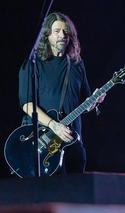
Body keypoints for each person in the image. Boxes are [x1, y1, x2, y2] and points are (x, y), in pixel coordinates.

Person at [19, 12, 105, 174]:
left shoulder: (77, 64)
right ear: (47, 34)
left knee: (75, 190)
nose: (62, 35)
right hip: (42, 139)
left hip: (72, 140)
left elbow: (85, 103)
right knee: (47, 193)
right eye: (57, 31)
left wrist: (94, 101)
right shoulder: (33, 63)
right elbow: (27, 104)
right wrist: (54, 125)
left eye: (66, 32)